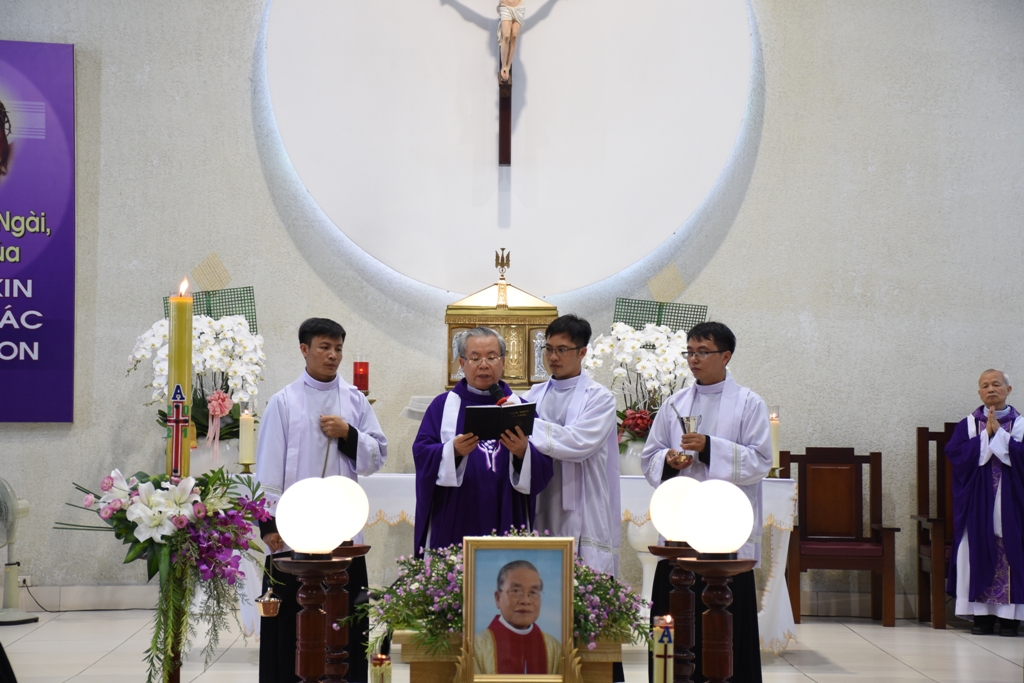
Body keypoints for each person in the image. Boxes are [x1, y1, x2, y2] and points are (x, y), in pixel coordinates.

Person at [255, 318, 388, 683]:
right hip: (293, 530)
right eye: (324, 347)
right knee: (291, 626)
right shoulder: (283, 402)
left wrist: (349, 434)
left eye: (338, 348)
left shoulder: (355, 400)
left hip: (342, 529)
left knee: (344, 619)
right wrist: (269, 525)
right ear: (304, 349)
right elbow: (267, 467)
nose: (333, 356)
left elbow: (377, 455)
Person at [641, 321, 771, 683]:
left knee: (723, 624)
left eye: (703, 352)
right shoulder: (675, 403)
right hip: (679, 533)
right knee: (671, 618)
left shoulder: (749, 403)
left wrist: (710, 447)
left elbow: (761, 460)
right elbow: (650, 456)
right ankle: (666, 678)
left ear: (725, 356)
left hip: (724, 535)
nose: (694, 359)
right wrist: (669, 460)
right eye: (690, 352)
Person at [413, 326, 553, 553]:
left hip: (506, 506)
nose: (484, 365)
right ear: (462, 363)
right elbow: (422, 453)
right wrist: (452, 451)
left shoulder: (520, 407)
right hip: (457, 508)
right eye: (475, 358)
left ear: (503, 362)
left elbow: (544, 463)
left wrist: (523, 452)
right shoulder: (442, 405)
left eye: (492, 357)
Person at [522, 315, 619, 574]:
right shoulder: (531, 396)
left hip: (583, 498)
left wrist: (526, 426)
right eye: (549, 349)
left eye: (562, 350)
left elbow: (578, 443)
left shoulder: (599, 398)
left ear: (582, 352)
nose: (553, 357)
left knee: (583, 579)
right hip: (542, 495)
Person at [945, 369, 1024, 637]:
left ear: (1008, 390)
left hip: (1012, 505)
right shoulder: (968, 425)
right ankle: (982, 617)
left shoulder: (1021, 425)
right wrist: (985, 437)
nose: (991, 389)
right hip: (977, 504)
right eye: (985, 385)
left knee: (1012, 551)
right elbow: (955, 456)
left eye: (996, 384)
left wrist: (1000, 436)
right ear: (979, 392)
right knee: (975, 547)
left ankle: (1010, 619)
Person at [474, 560, 562, 674]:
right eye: (515, 591)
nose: (525, 601)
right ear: (498, 598)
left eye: (533, 592)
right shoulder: (478, 646)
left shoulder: (552, 647)